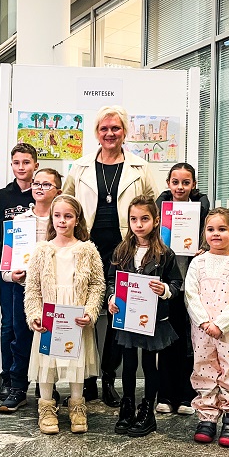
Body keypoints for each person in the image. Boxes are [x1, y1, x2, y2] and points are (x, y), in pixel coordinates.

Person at [63, 105, 160, 407]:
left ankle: (108, 377)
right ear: (96, 132)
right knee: (84, 310)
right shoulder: (79, 168)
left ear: (124, 132)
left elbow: (155, 207)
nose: (109, 133)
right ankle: (86, 379)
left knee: (119, 313)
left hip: (125, 251)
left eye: (115, 128)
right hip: (87, 248)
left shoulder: (140, 168)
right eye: (104, 128)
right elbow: (66, 202)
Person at [24, 196, 106, 434]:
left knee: (75, 360)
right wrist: (35, 314)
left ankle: (77, 406)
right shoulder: (42, 250)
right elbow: (33, 287)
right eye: (57, 216)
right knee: (47, 362)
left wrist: (90, 311)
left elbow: (97, 285)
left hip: (75, 315)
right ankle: (47, 407)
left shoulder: (87, 250)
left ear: (77, 220)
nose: (62, 221)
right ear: (52, 218)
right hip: (50, 315)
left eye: (68, 216)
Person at [107, 196, 182, 438]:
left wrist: (165, 290)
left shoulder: (165, 253)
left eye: (145, 219)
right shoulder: (122, 250)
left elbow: (176, 283)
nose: (139, 224)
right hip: (128, 318)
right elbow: (112, 280)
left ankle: (147, 410)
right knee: (128, 364)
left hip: (153, 320)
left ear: (156, 221)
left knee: (150, 364)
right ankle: (127, 406)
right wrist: (112, 298)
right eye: (134, 219)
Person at [185, 208, 229, 447]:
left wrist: (221, 325)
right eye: (211, 229)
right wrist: (204, 322)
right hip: (202, 330)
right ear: (204, 233)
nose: (216, 234)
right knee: (204, 368)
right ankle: (207, 417)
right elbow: (190, 295)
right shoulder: (197, 263)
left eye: (222, 229)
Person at [0, 168, 62, 413]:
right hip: (24, 290)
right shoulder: (20, 221)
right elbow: (7, 262)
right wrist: (10, 275)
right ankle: (17, 387)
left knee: (49, 338)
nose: (39, 188)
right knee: (21, 338)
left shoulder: (61, 220)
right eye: (36, 184)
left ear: (58, 191)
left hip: (54, 291)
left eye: (46, 185)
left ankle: (47, 386)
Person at [154, 163, 209, 416]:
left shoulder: (202, 211)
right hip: (168, 285)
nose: (180, 187)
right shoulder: (159, 211)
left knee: (190, 342)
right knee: (168, 340)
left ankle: (188, 395)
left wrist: (203, 247)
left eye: (186, 182)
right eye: (175, 182)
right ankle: (165, 394)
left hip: (192, 285)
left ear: (193, 184)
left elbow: (211, 238)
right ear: (168, 183)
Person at [0, 143, 38, 401]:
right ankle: (8, 377)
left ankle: (38, 377)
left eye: (26, 162)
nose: (21, 167)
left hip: (38, 274)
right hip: (11, 272)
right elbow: (0, 237)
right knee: (9, 324)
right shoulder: (2, 197)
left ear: (35, 165)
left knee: (33, 325)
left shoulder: (42, 194)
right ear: (11, 165)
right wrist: (10, 268)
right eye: (17, 163)